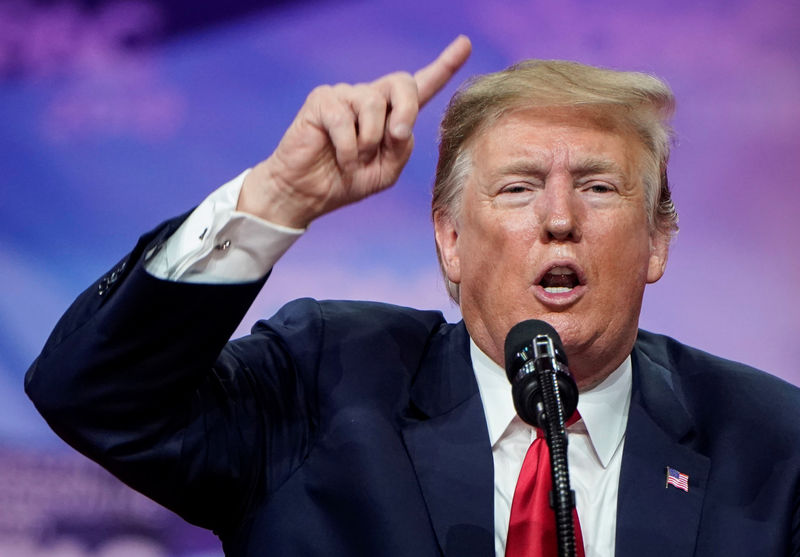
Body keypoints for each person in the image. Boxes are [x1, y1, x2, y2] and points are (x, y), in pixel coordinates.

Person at [25, 36, 800, 557]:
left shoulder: (773, 444)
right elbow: (97, 397)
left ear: (658, 240)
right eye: (519, 187)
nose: (560, 219)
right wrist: (277, 196)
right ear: (450, 241)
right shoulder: (325, 383)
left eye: (598, 187)